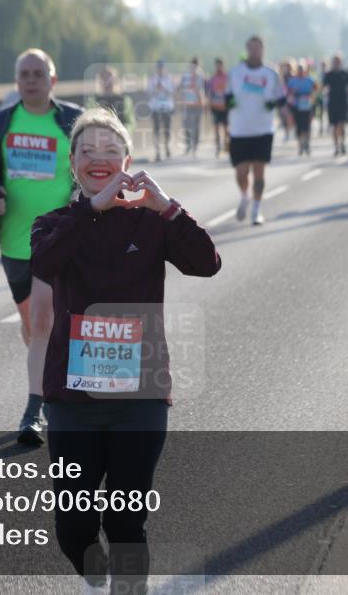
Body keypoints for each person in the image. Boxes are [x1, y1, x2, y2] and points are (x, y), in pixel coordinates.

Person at [31, 108, 221, 594]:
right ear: (72, 162)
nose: (99, 158)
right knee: (74, 529)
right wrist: (90, 209)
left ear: (128, 161)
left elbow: (207, 264)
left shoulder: (151, 223)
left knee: (125, 522)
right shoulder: (54, 223)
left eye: (110, 151)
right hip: (73, 400)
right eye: (88, 150)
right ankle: (96, 577)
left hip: (140, 395)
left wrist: (167, 208)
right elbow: (46, 263)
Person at [0, 48, 83, 446]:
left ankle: (37, 408)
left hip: (60, 239)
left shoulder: (72, 120)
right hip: (14, 242)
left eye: (39, 73)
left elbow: (90, 165)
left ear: (53, 80)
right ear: (17, 81)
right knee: (34, 325)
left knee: (43, 322)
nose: (32, 80)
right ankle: (49, 379)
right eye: (25, 74)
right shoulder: (1, 123)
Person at [225, 35, 284, 225]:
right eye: (251, 48)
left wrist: (272, 105)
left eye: (258, 48)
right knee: (241, 173)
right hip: (240, 130)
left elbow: (281, 98)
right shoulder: (235, 72)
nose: (255, 51)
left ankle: (257, 210)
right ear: (247, 49)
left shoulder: (271, 73)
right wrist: (230, 103)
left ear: (263, 50)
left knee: (259, 173)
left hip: (263, 129)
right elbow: (226, 97)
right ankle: (245, 196)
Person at [89, 65, 135, 136]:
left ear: (115, 80)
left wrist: (124, 133)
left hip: (120, 139)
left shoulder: (125, 100)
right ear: (100, 81)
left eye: (110, 78)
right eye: (104, 78)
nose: (108, 82)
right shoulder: (93, 100)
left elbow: (130, 122)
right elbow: (89, 121)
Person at [286, 63, 317, 157]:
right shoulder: (292, 81)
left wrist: (311, 96)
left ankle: (307, 143)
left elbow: (316, 90)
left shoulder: (310, 80)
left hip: (307, 106)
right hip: (297, 106)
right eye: (299, 70)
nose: (300, 72)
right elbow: (287, 92)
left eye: (302, 70)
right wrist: (293, 93)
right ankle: (300, 145)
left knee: (307, 126)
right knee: (299, 127)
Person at [322, 54, 348, 156]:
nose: (336, 63)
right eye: (335, 61)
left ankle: (342, 142)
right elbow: (325, 87)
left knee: (341, 124)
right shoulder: (328, 74)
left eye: (338, 61)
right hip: (332, 103)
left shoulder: (345, 74)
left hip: (342, 102)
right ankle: (336, 145)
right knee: (334, 126)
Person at [147, 60, 175, 161]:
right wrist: (155, 88)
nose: (160, 69)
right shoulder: (152, 79)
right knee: (156, 130)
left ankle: (167, 147)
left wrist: (164, 88)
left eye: (162, 67)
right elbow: (148, 91)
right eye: (159, 67)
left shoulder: (169, 78)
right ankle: (157, 151)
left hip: (167, 107)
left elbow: (172, 91)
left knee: (167, 129)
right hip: (155, 107)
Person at [177, 57, 206, 156]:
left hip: (198, 104)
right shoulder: (186, 76)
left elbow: (203, 90)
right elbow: (180, 87)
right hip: (188, 104)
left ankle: (195, 146)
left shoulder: (200, 75)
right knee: (187, 126)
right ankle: (188, 145)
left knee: (196, 126)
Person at [206, 58, 229, 157]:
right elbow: (209, 93)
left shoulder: (227, 77)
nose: (218, 67)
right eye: (217, 65)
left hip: (225, 107)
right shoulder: (212, 78)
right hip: (215, 107)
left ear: (223, 66)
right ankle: (217, 148)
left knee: (226, 129)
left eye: (220, 65)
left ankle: (226, 146)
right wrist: (209, 104)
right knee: (216, 129)